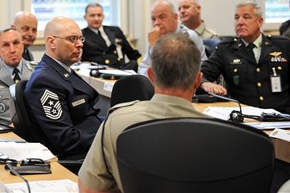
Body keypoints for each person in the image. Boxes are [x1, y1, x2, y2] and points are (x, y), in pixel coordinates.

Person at [78, 33, 208, 193]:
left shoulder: (116, 121)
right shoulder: (221, 134)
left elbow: (89, 190)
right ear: (197, 79)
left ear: (151, 75)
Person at [200, 1, 290, 118]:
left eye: (246, 17)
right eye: (236, 18)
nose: (240, 22)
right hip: (245, 119)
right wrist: (205, 83)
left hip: (283, 116)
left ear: (260, 21)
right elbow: (200, 75)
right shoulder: (225, 49)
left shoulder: (282, 46)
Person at [24, 16, 102, 160]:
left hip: (91, 142)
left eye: (81, 39)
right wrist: (107, 136)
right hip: (82, 157)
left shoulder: (61, 70)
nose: (79, 44)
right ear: (52, 42)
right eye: (72, 39)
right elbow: (66, 140)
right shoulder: (45, 81)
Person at [138, 0, 207, 77]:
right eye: (153, 19)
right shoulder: (157, 37)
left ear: (175, 17)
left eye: (162, 17)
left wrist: (154, 46)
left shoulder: (188, 37)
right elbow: (143, 67)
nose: (156, 23)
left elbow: (173, 73)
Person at [81, 3, 141, 70]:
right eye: (92, 15)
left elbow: (132, 53)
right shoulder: (82, 35)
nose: (96, 19)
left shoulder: (115, 30)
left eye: (99, 15)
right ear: (85, 17)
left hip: (122, 70)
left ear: (103, 16)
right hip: (99, 73)